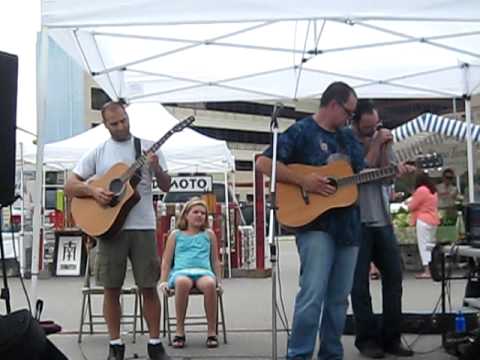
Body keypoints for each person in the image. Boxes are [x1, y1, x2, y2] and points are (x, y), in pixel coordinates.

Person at [256, 81, 364, 360]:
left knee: (339, 300)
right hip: (315, 226)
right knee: (313, 294)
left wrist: (391, 168)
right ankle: (299, 354)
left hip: (348, 228)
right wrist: (304, 180)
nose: (350, 119)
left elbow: (361, 174)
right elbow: (263, 163)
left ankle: (331, 354)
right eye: (348, 112)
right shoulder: (302, 131)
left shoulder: (349, 138)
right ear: (333, 105)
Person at [65, 101, 172, 360]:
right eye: (115, 123)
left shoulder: (147, 147)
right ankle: (115, 345)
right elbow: (70, 185)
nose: (121, 126)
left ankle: (155, 344)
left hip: (143, 225)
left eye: (124, 120)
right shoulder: (99, 152)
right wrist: (93, 190)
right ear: (105, 125)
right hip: (110, 228)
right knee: (110, 288)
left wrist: (156, 167)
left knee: (148, 286)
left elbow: (167, 185)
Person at [350, 100, 414, 358]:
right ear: (353, 123)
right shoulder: (347, 142)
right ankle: (366, 340)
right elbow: (362, 170)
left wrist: (385, 148)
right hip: (357, 220)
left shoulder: (382, 141)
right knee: (359, 285)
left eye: (375, 127)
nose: (373, 132)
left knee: (394, 278)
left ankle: (392, 337)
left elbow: (387, 176)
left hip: (381, 219)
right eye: (367, 129)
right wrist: (375, 145)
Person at [159, 197, 222, 349]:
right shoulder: (176, 235)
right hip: (181, 271)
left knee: (209, 284)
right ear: (186, 215)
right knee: (182, 282)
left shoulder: (209, 234)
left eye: (203, 213)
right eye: (195, 212)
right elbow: (167, 261)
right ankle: (179, 330)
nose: (200, 215)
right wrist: (163, 281)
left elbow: (215, 260)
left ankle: (211, 331)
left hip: (203, 271)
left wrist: (219, 282)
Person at [408, 173, 440, 279]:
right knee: (431, 245)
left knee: (424, 246)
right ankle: (433, 268)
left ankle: (427, 270)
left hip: (423, 220)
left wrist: (412, 197)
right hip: (433, 219)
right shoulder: (433, 190)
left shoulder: (421, 190)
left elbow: (411, 206)